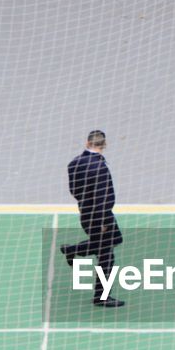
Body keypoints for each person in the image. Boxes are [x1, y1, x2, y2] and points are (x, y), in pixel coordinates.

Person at [62, 130, 124, 307]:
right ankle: (101, 297)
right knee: (107, 257)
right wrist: (104, 220)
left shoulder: (74, 163)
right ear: (104, 145)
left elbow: (74, 190)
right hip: (101, 216)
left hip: (85, 213)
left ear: (87, 143)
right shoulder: (100, 167)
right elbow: (103, 196)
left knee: (115, 240)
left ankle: (73, 250)